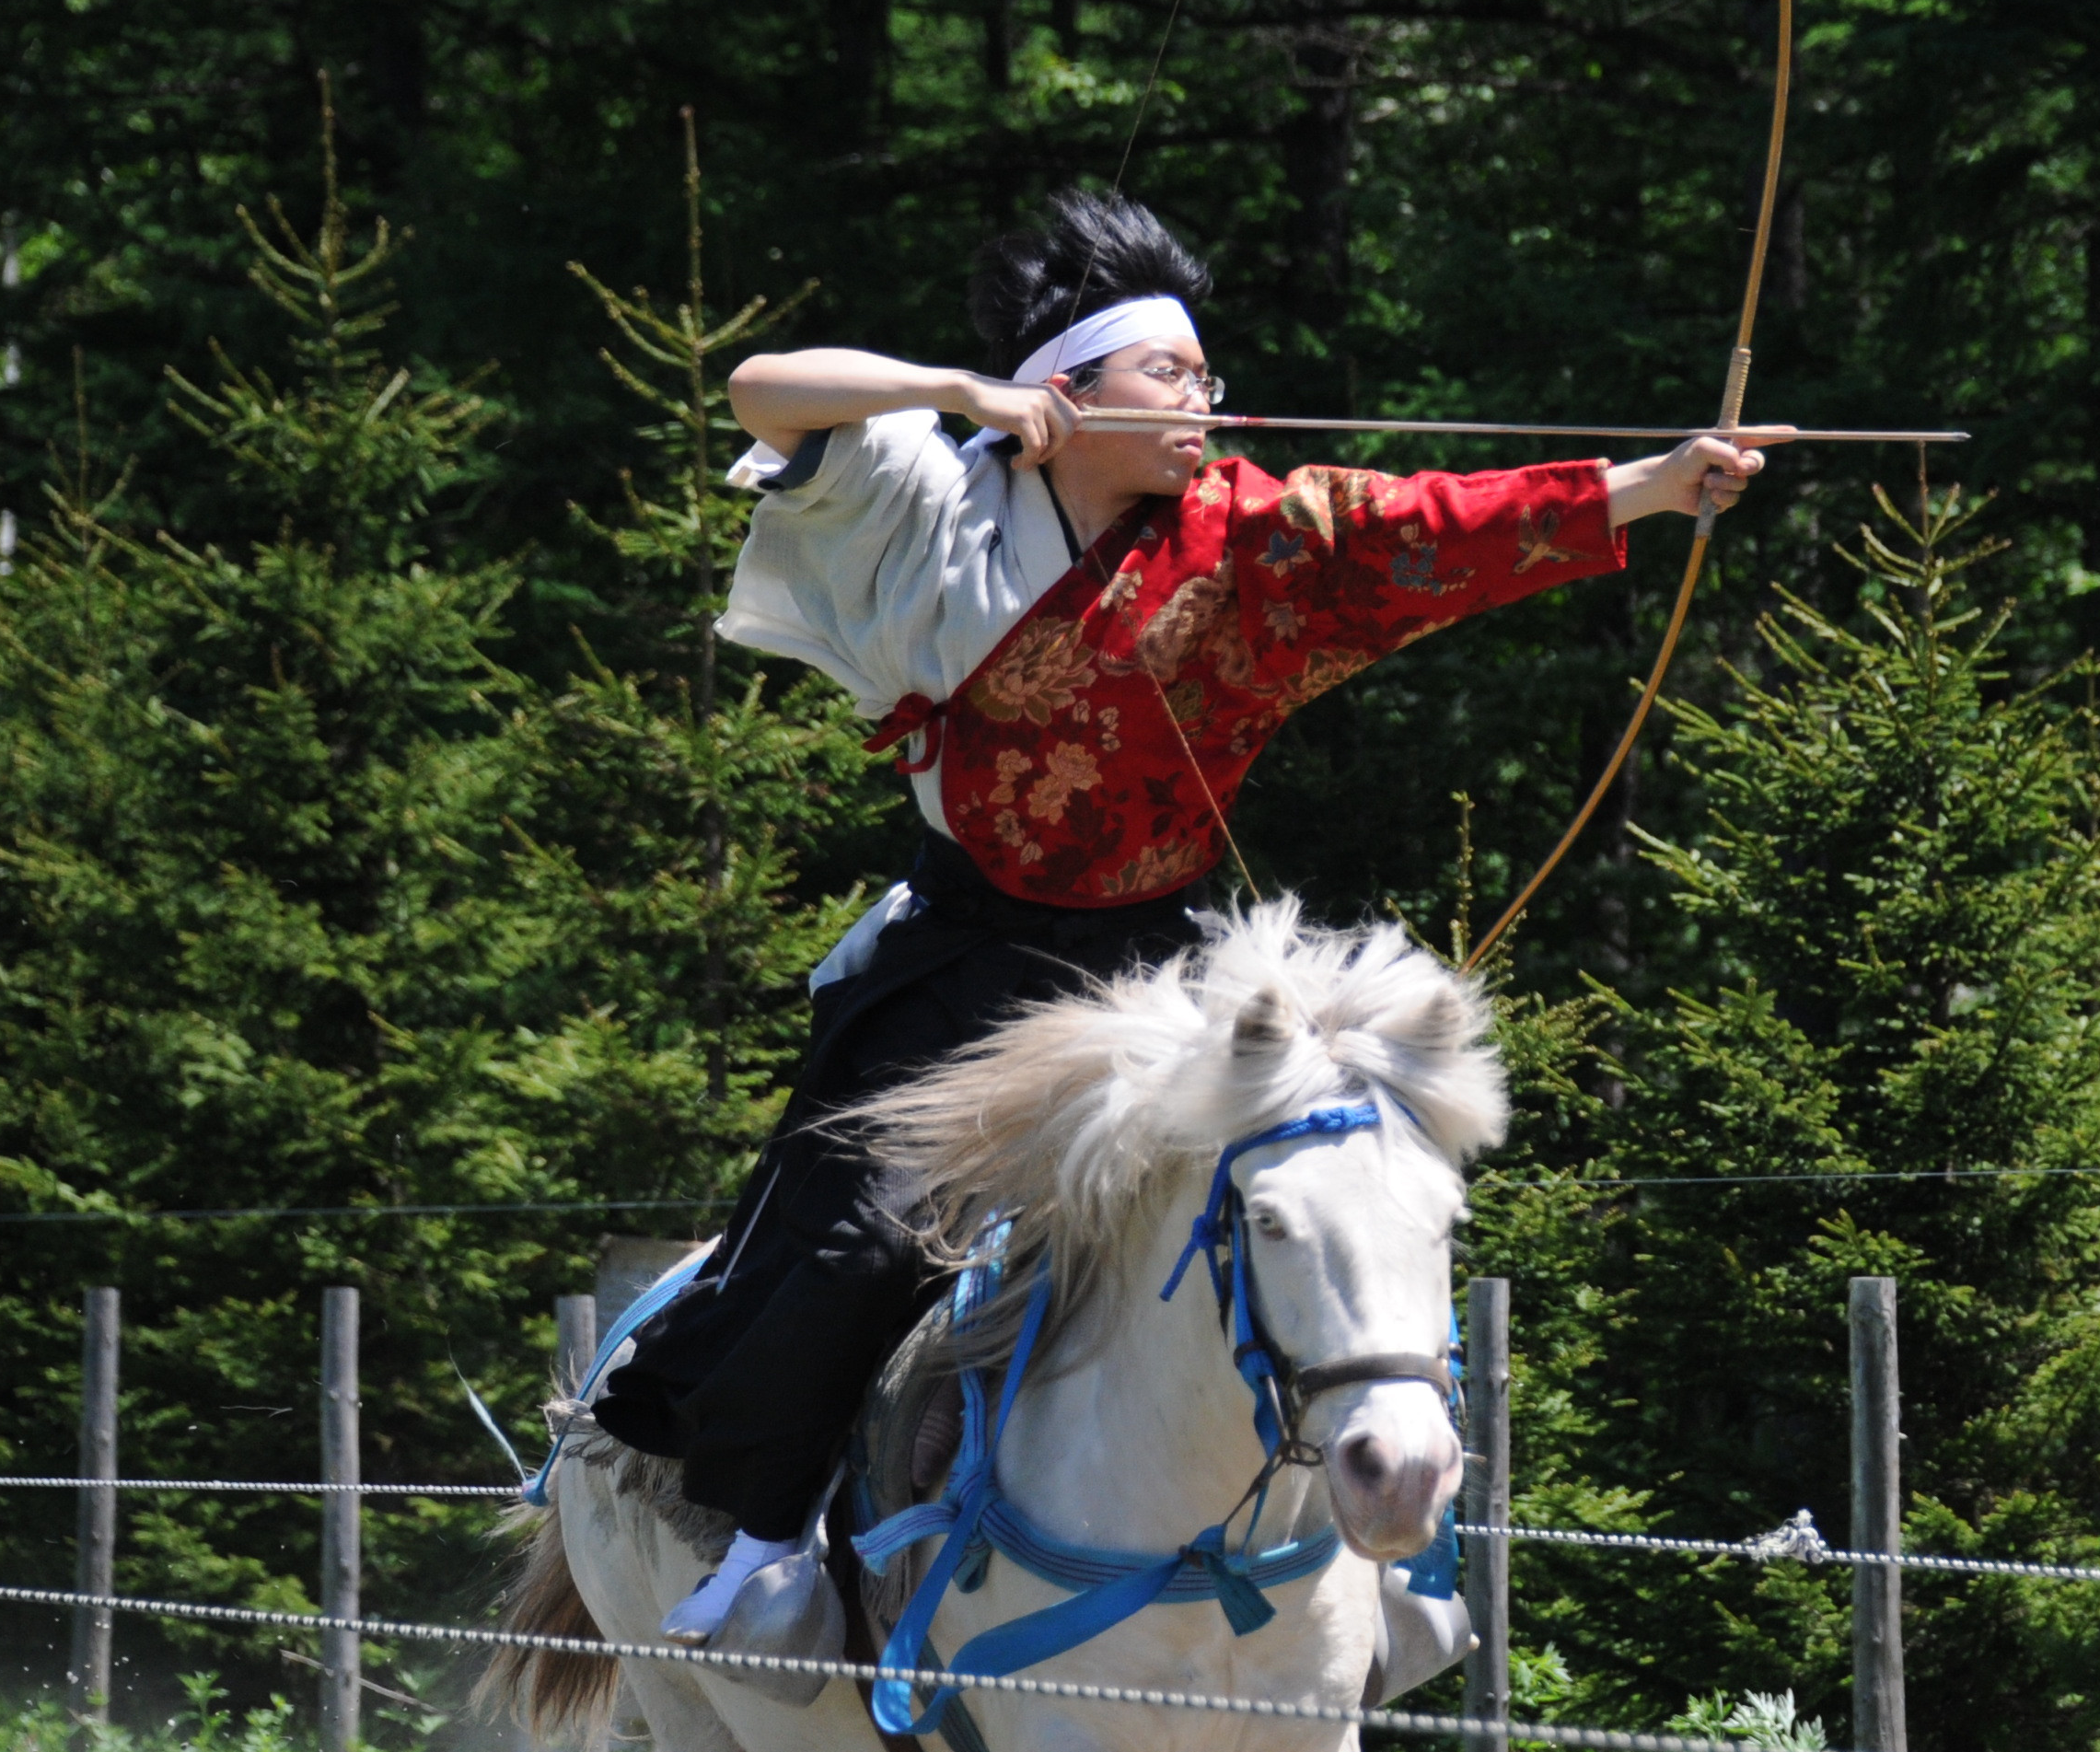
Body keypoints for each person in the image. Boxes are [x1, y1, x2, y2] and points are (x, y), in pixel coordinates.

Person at [590, 189, 1771, 1640]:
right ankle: (767, 1543)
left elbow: (1423, 529)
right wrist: (966, 392)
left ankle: (1386, 1573)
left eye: (1211, 379)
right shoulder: (933, 490)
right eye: (1170, 377)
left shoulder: (1246, 538)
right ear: (1063, 393)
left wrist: (1651, 483)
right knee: (859, 1235)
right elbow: (761, 389)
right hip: (968, 963)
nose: (1205, 402)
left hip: (1157, 972)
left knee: (1327, 1188)